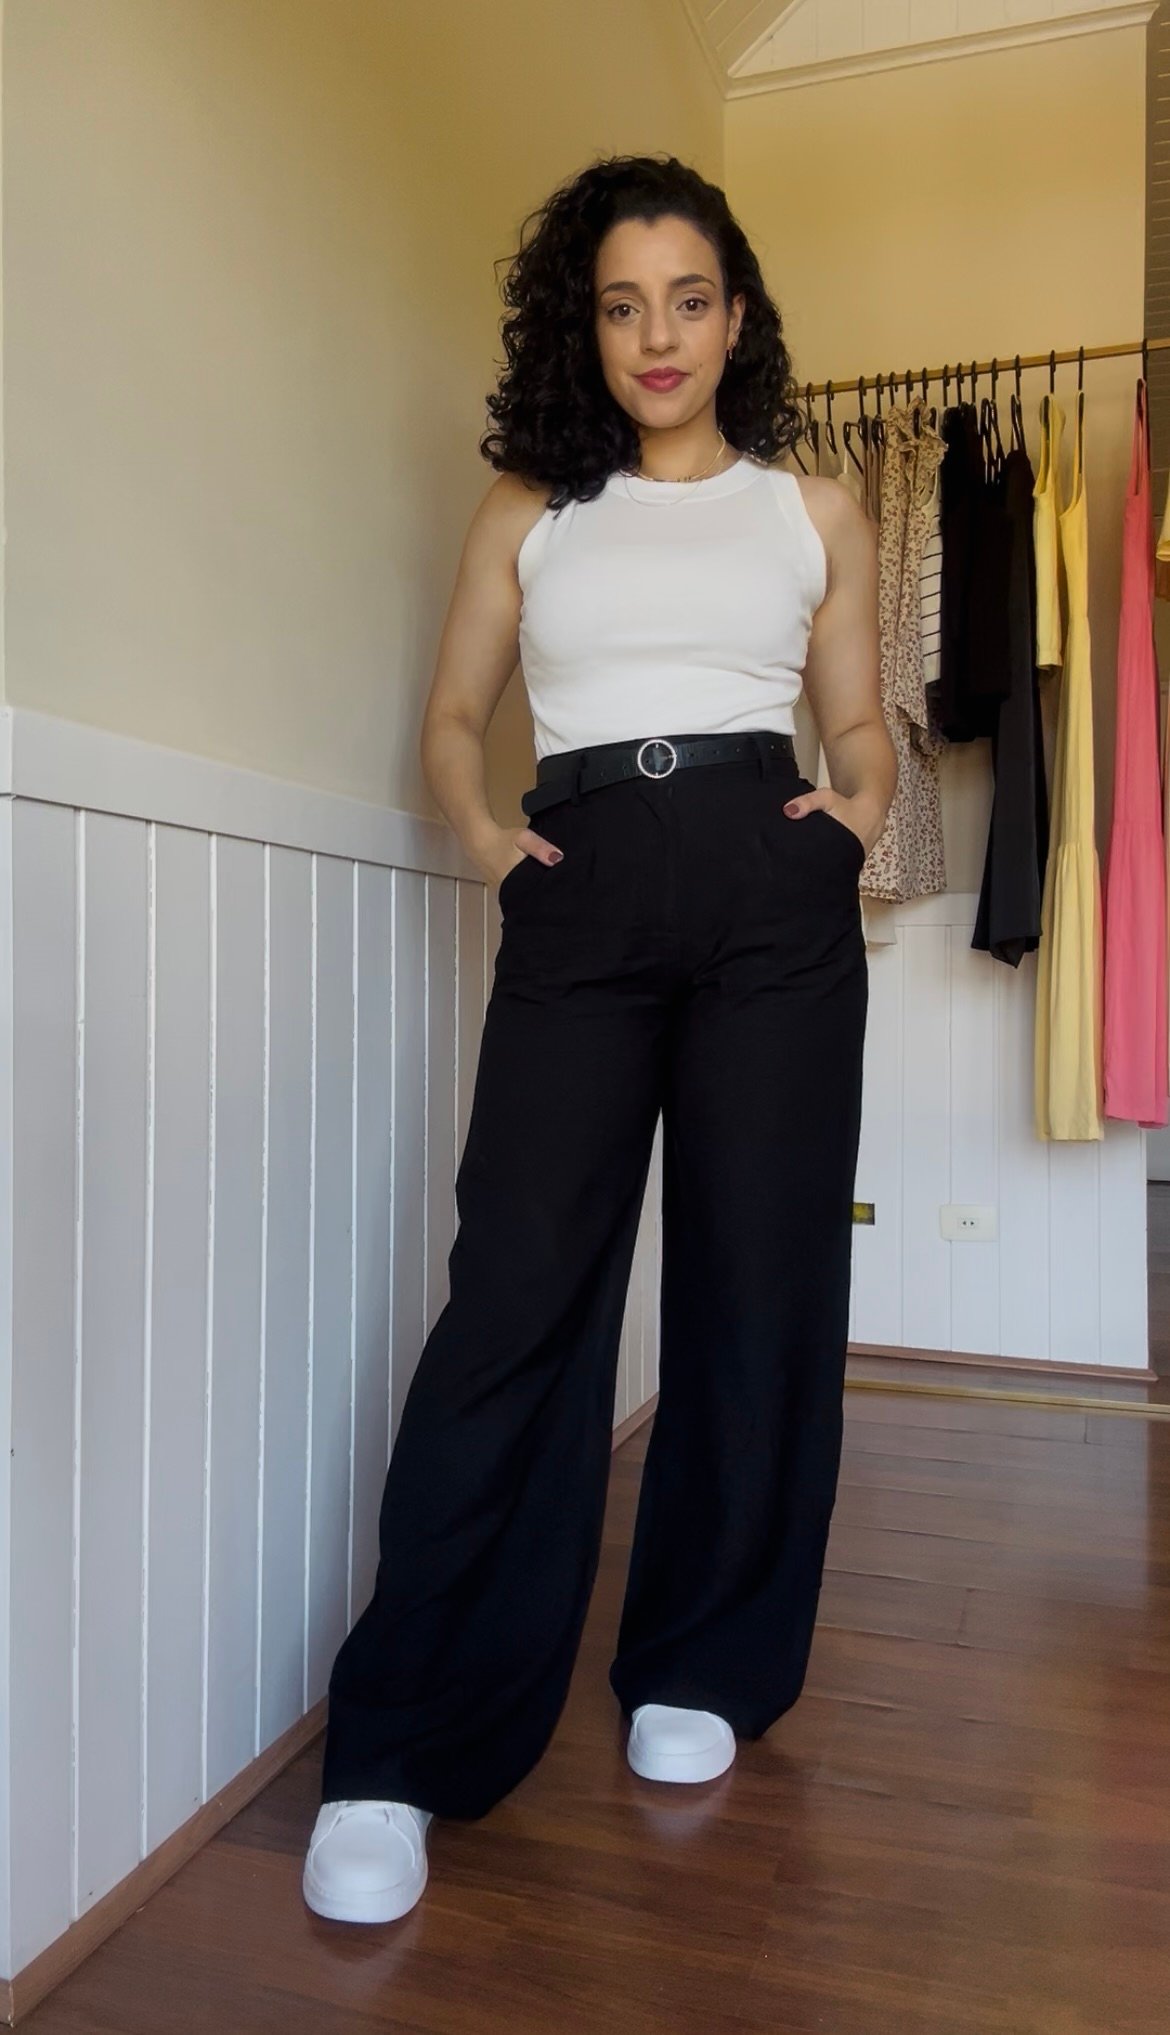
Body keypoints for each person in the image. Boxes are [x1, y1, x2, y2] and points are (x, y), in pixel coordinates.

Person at [302, 152, 895, 1926]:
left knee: (755, 1282)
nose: (658, 336)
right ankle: (400, 1749)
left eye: (687, 299)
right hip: (579, 887)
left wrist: (856, 815)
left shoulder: (813, 507)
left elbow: (858, 721)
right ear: (585, 324)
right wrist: (488, 841)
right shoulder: (528, 507)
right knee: (515, 1296)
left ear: (735, 314)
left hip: (771, 898)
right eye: (622, 304)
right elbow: (451, 716)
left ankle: (702, 1660)